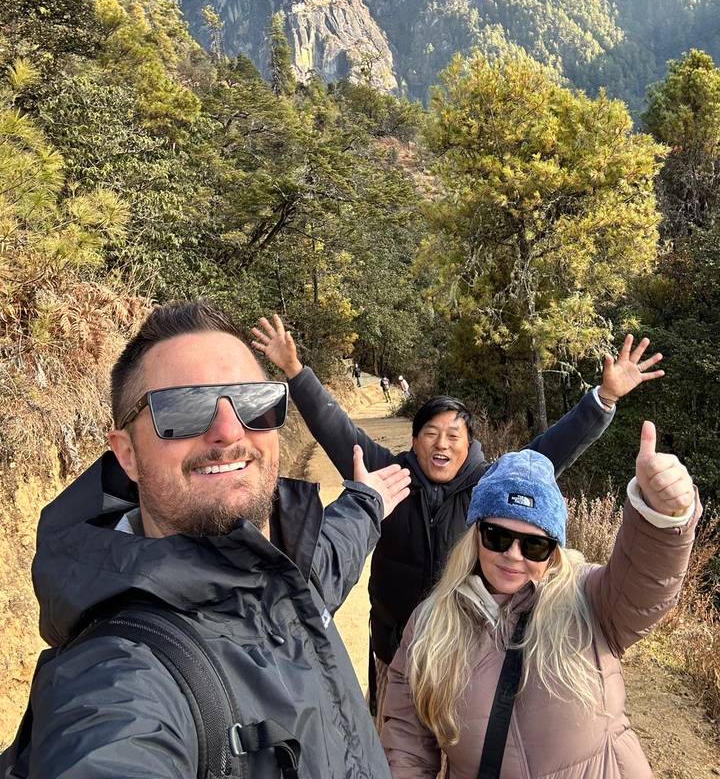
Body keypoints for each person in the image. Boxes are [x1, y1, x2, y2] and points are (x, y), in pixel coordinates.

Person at [4, 301, 411, 779]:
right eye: (183, 408)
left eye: (252, 402)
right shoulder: (118, 677)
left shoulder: (285, 578)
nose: (228, 429)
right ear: (127, 455)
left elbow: (332, 552)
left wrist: (366, 501)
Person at [251, 316, 665, 722]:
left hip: (466, 652)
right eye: (430, 433)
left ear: (471, 446)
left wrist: (603, 399)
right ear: (414, 441)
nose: (441, 443)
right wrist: (294, 371)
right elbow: (335, 429)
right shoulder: (388, 476)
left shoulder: (492, 487)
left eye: (454, 436)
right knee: (388, 741)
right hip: (392, 648)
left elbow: (550, 450)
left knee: (456, 746)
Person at [380, 425, 699, 778]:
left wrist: (659, 517)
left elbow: (643, 588)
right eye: (497, 536)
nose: (513, 556)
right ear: (475, 534)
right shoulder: (430, 623)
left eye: (534, 545)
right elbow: (407, 744)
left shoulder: (589, 598)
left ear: (555, 550)